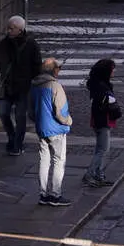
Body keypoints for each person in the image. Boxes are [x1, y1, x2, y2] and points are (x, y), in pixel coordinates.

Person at [0, 16, 41, 157]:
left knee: (20, 117)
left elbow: (37, 66)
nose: (8, 30)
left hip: (24, 87)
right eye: (8, 28)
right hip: (6, 86)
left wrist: (35, 83)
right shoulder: (4, 44)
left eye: (12, 28)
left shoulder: (31, 44)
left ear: (20, 29)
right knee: (3, 113)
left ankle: (17, 145)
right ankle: (12, 136)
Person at [28, 58, 73, 206]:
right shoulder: (55, 86)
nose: (59, 70)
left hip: (42, 128)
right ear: (54, 70)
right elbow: (61, 112)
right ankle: (55, 195)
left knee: (44, 161)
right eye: (58, 68)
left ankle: (43, 194)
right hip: (56, 129)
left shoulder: (34, 85)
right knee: (58, 161)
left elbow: (31, 111)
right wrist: (68, 121)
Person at [83, 59, 120, 187]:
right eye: (112, 69)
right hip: (103, 121)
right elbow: (105, 105)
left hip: (100, 120)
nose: (113, 71)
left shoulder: (98, 84)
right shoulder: (102, 87)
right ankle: (90, 174)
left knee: (100, 148)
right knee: (103, 150)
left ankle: (99, 175)